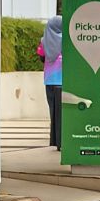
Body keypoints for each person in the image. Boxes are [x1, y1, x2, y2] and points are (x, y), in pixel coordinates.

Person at [38, 16, 63, 149]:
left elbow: (41, 57)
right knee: (63, 113)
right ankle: (62, 142)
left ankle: (55, 141)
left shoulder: (44, 41)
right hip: (63, 80)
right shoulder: (67, 40)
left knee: (53, 111)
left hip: (49, 81)